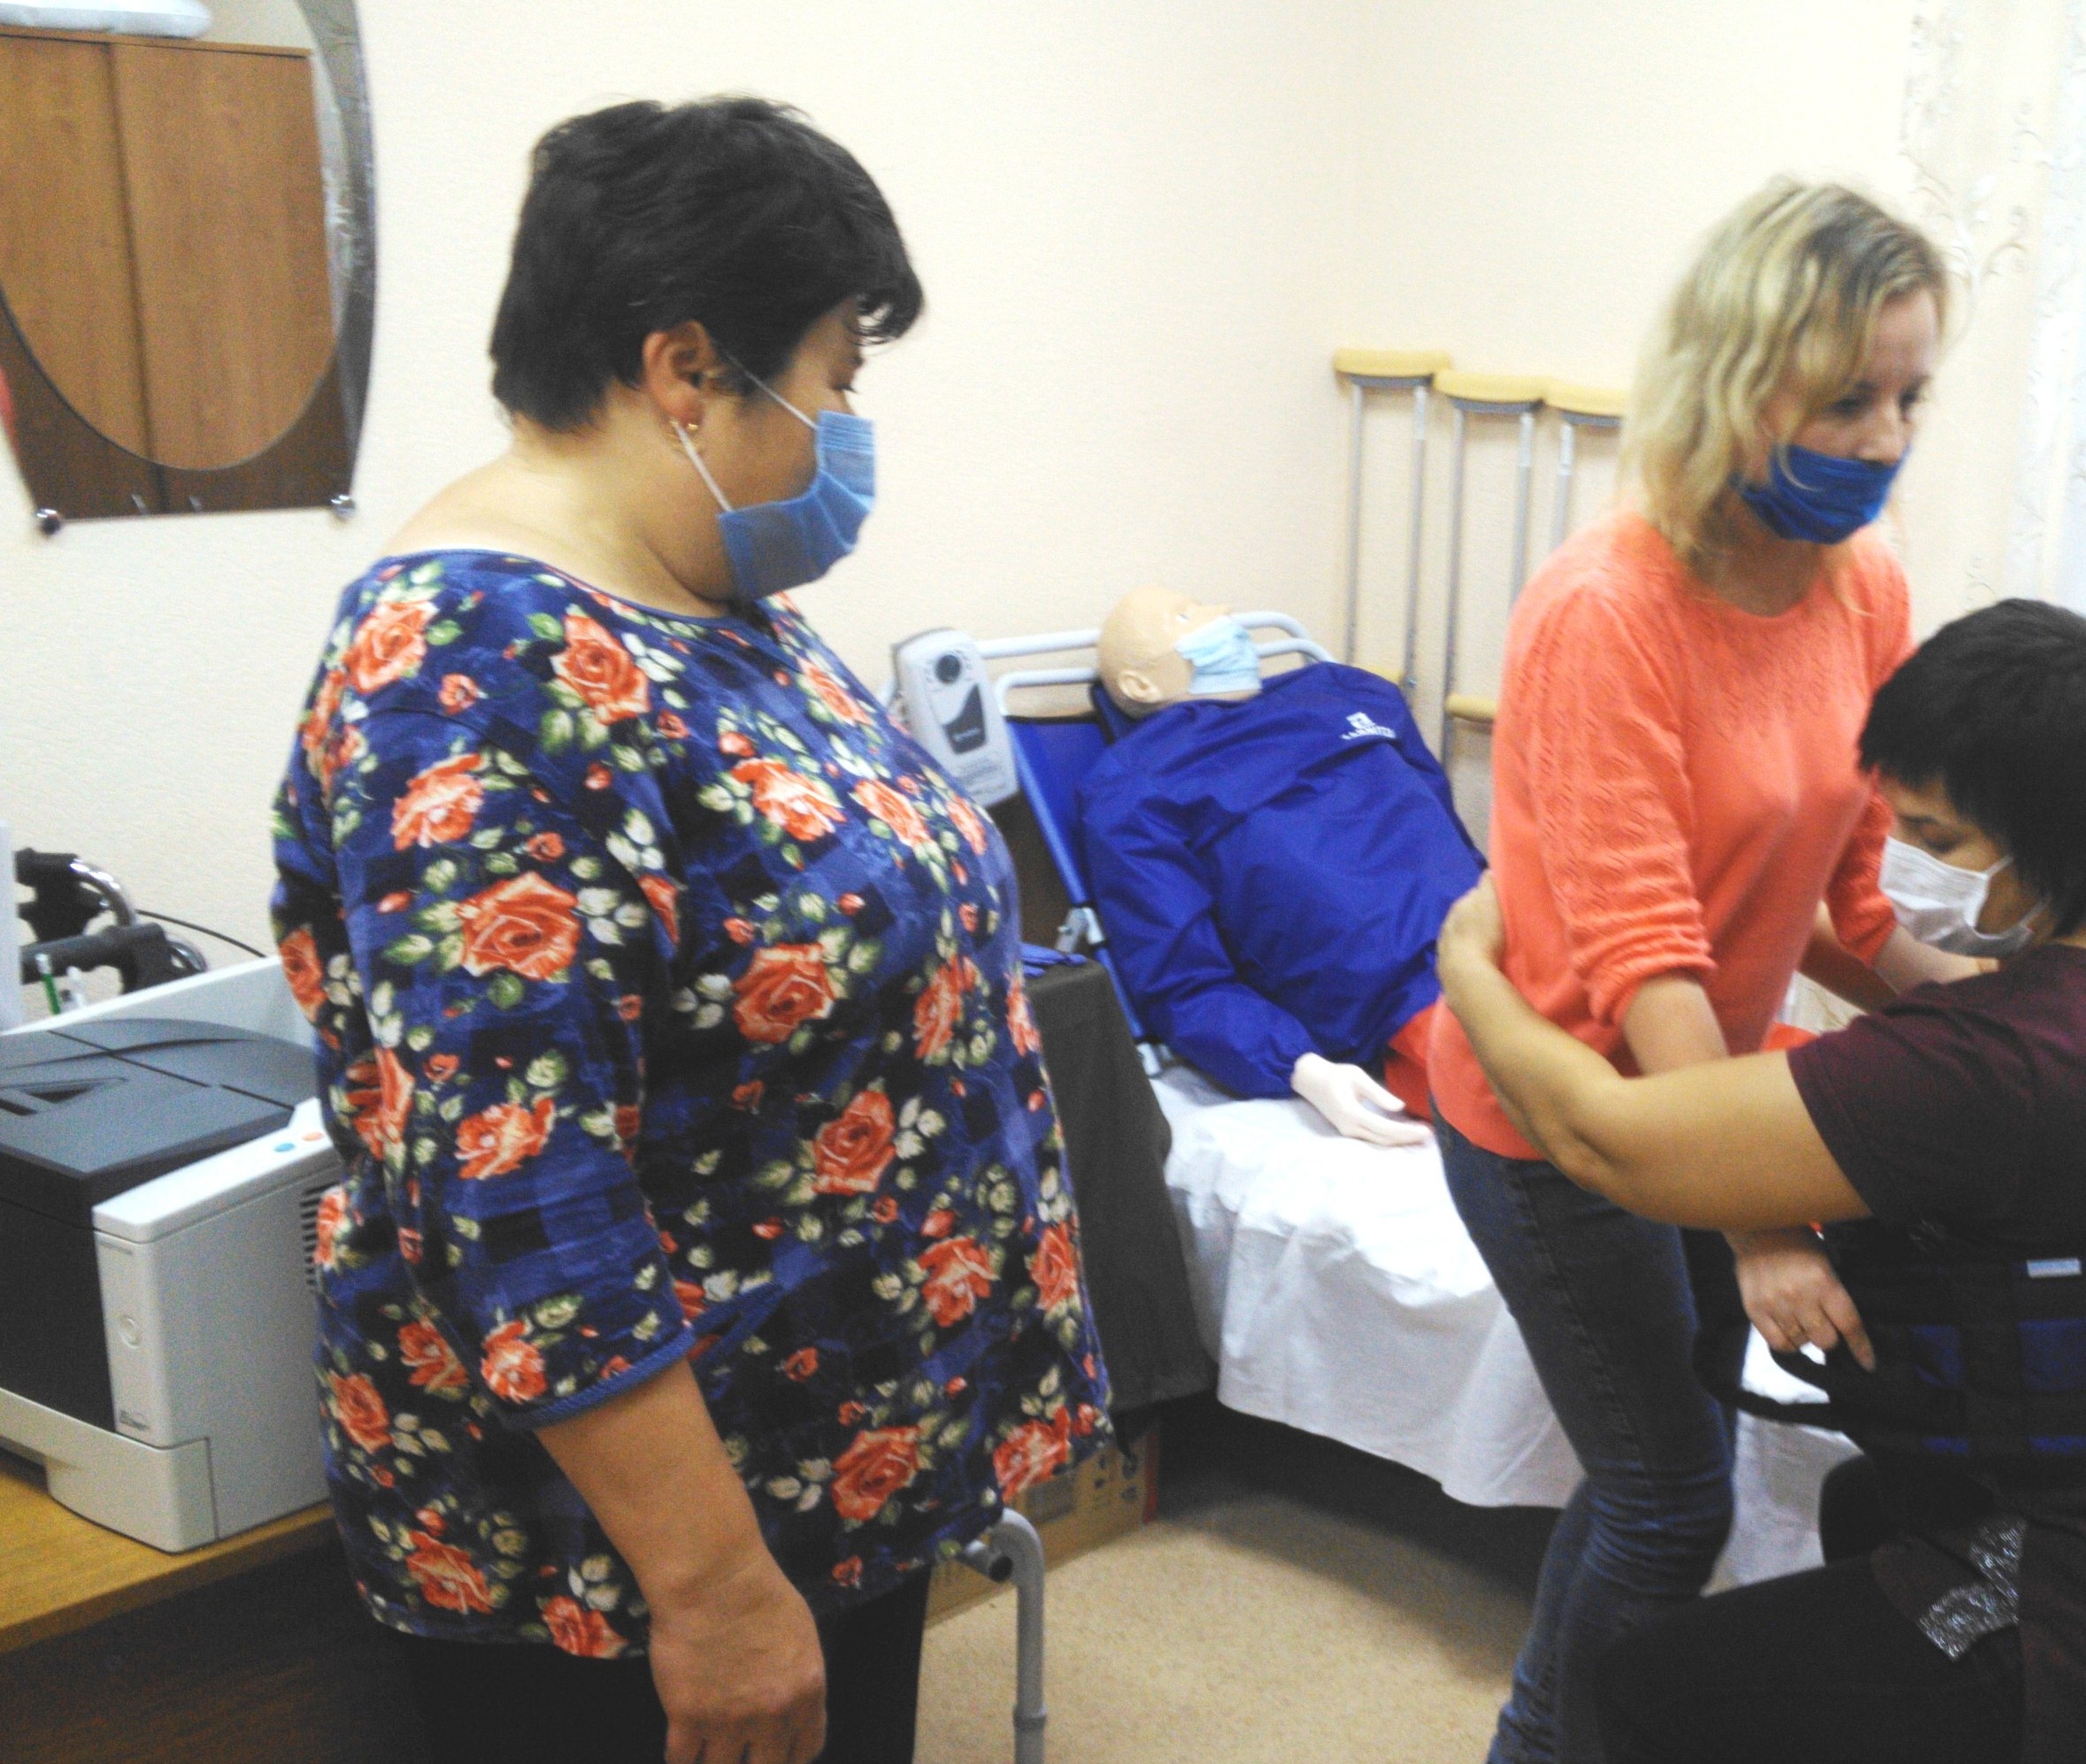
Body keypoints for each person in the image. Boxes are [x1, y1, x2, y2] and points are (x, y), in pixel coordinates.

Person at [268, 97, 1107, 1764]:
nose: (846, 432)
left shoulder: (706, 598)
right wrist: (713, 1587)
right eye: (834, 381)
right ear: (685, 370)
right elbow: (521, 1190)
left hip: (826, 1473)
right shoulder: (472, 671)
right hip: (646, 1563)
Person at [1436, 599, 2086, 1763]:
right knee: (1866, 1503)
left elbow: (1607, 1139)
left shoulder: (1990, 1072)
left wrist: (1466, 966)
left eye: (1937, 839)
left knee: (1647, 1689)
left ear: (2053, 840)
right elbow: (1962, 1023)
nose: (1905, 862)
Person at [1420, 180, 1971, 1762]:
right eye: (1845, 398)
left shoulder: (1860, 583)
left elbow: (1841, 894)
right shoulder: (1605, 613)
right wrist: (1757, 1223)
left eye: (1908, 398)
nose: (1882, 438)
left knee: (1648, 1478)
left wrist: (1990, 1009)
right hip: (1561, 1115)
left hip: (1706, 1098)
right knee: (1670, 1495)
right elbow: (1645, 958)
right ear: (1735, 382)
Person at [1077, 583, 1486, 1146]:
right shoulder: (1136, 786)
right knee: (1555, 1101)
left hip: (1506, 939)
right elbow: (1182, 980)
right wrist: (1301, 1066)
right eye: (1186, 616)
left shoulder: (1343, 691)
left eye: (1205, 601)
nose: (1223, 611)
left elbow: (1447, 831)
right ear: (1139, 685)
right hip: (1403, 998)